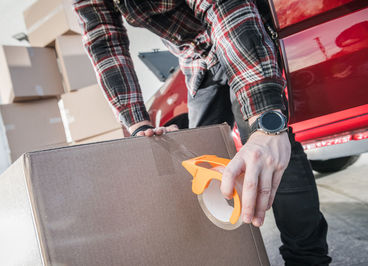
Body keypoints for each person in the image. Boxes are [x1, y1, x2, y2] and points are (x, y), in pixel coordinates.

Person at [72, 0, 331, 264]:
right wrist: (138, 124)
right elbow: (105, 44)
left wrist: (265, 121)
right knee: (201, 157)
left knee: (266, 153)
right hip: (196, 60)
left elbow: (225, 7)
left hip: (240, 33)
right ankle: (223, 254)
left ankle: (307, 258)